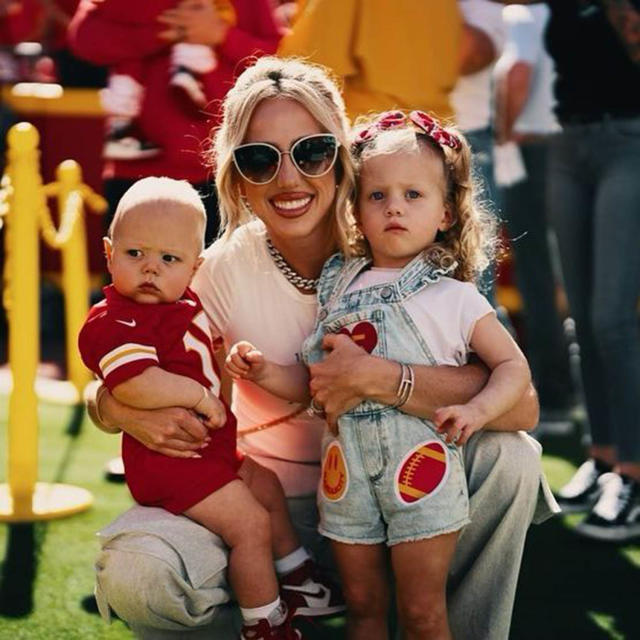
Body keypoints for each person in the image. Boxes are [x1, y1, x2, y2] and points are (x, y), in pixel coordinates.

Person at [87, 57, 557, 640]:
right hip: (262, 509)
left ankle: (438, 620)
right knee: (141, 572)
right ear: (234, 177)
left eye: (310, 152)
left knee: (512, 459)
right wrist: (114, 406)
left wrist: (385, 378)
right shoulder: (213, 273)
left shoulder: (400, 246)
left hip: (405, 495)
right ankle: (282, 606)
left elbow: (522, 406)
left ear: (343, 156)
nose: (288, 179)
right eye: (260, 159)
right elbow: (121, 349)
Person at [225, 109, 532, 639]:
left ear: (446, 213)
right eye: (377, 195)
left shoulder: (455, 297)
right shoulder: (336, 287)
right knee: (364, 606)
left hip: (422, 472)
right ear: (357, 211)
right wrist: (264, 372)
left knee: (421, 611)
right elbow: (316, 383)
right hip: (344, 478)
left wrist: (477, 409)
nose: (394, 206)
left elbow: (513, 367)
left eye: (414, 195)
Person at [78, 176, 343, 639]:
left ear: (194, 265)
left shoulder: (184, 302)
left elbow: (205, 353)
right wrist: (200, 397)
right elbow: (135, 382)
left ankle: (300, 579)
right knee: (250, 525)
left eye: (169, 259)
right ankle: (264, 620)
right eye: (134, 254)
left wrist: (232, 360)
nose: (150, 270)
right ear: (108, 252)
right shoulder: (117, 318)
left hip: (213, 453)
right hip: (173, 461)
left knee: (265, 485)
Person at [534, 0, 640, 542]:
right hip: (567, 145)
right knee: (582, 313)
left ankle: (634, 474)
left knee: (613, 320)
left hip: (630, 141)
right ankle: (601, 460)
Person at [68, 0, 280, 245]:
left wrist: (221, 35)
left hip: (223, 171)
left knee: (216, 279)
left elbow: (276, 58)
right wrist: (161, 31)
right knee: (131, 278)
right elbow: (84, 38)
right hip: (135, 169)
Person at [492, 2, 573, 424]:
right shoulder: (559, 17)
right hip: (565, 145)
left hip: (531, 149)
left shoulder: (521, 17)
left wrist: (503, 136)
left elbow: (517, 72)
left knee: (535, 273)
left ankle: (553, 391)